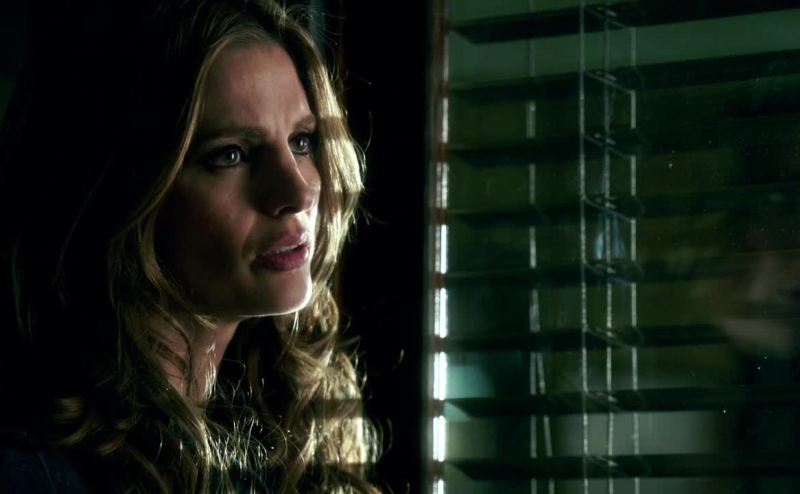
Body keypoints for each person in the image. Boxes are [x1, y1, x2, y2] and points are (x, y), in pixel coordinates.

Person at [0, 0, 378, 492]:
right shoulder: (36, 468)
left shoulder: (281, 427)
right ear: (126, 191)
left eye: (302, 141)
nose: (299, 190)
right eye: (232, 155)